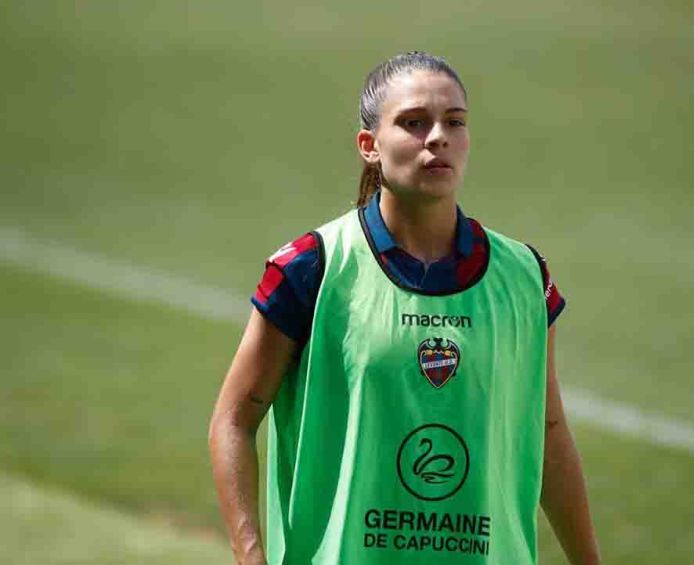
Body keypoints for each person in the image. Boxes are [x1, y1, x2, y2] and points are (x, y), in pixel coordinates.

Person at [209, 51, 601, 565]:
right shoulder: (312, 268)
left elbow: (548, 432)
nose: (437, 137)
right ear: (369, 146)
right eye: (414, 123)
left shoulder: (525, 278)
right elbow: (234, 420)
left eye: (454, 123)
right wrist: (251, 556)